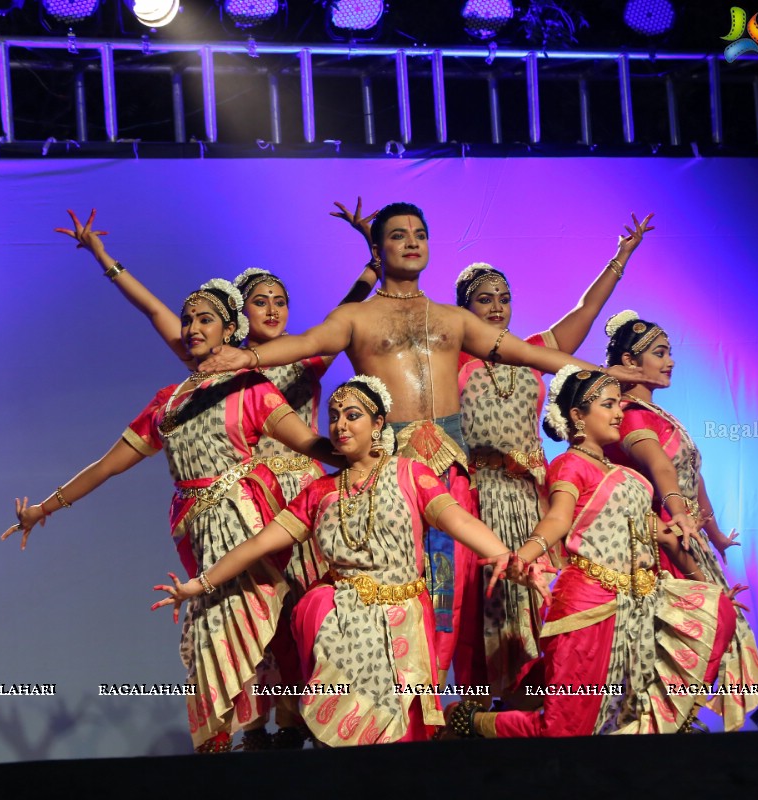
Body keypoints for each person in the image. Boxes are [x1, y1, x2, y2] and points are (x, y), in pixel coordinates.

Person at [200, 201, 641, 682]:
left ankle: (433, 712)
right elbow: (305, 344)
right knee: (398, 589)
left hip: (450, 468)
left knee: (451, 593)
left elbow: (529, 352)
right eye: (398, 235)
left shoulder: (453, 319)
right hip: (388, 471)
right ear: (378, 247)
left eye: (419, 234)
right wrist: (244, 360)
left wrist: (599, 371)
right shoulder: (355, 317)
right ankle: (393, 708)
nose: (411, 242)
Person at [0, 278, 341, 752]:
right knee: (211, 632)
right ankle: (231, 740)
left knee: (257, 625)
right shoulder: (169, 401)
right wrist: (43, 508)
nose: (194, 327)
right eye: (189, 320)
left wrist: (362, 452)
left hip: (245, 520)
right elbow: (108, 465)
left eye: (206, 320)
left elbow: (310, 443)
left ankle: (272, 734)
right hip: (196, 532)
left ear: (229, 330)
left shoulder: (251, 387)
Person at [153, 376, 542, 745]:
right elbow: (257, 545)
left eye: (352, 415)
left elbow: (460, 521)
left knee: (400, 737)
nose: (340, 425)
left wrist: (508, 558)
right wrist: (198, 585)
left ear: (378, 424)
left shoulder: (410, 474)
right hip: (339, 622)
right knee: (340, 732)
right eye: (334, 417)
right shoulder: (319, 492)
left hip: (402, 620)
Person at [443, 367, 740, 738]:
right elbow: (557, 518)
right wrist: (527, 552)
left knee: (719, 615)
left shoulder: (632, 478)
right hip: (589, 606)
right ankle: (470, 723)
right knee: (564, 729)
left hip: (639, 605)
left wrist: (707, 586)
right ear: (578, 416)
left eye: (619, 404)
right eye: (608, 404)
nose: (619, 413)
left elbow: (661, 535)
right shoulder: (571, 465)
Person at [449, 212, 653, 697]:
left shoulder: (534, 350)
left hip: (537, 494)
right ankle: (491, 709)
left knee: (549, 597)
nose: (497, 307)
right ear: (463, 309)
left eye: (504, 298)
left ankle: (553, 702)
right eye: (484, 299)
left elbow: (585, 310)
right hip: (484, 497)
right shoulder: (451, 360)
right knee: (494, 601)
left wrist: (620, 258)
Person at [601, 310, 758, 731]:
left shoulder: (659, 415)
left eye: (670, 352)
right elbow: (662, 472)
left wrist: (714, 534)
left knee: (710, 631)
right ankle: (653, 726)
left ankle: (679, 723)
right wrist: (683, 517)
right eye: (660, 353)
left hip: (688, 536)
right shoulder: (629, 415)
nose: (671, 361)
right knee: (678, 638)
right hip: (660, 543)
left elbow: (694, 479)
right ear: (629, 361)